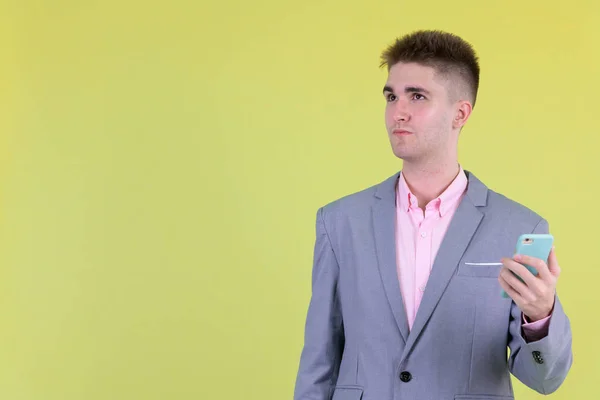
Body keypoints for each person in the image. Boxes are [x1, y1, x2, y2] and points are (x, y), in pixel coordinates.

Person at [293, 30, 573, 400]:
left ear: (460, 113)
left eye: (417, 96)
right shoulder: (339, 222)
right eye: (391, 96)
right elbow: (319, 362)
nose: (398, 111)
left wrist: (540, 318)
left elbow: (545, 380)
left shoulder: (518, 227)